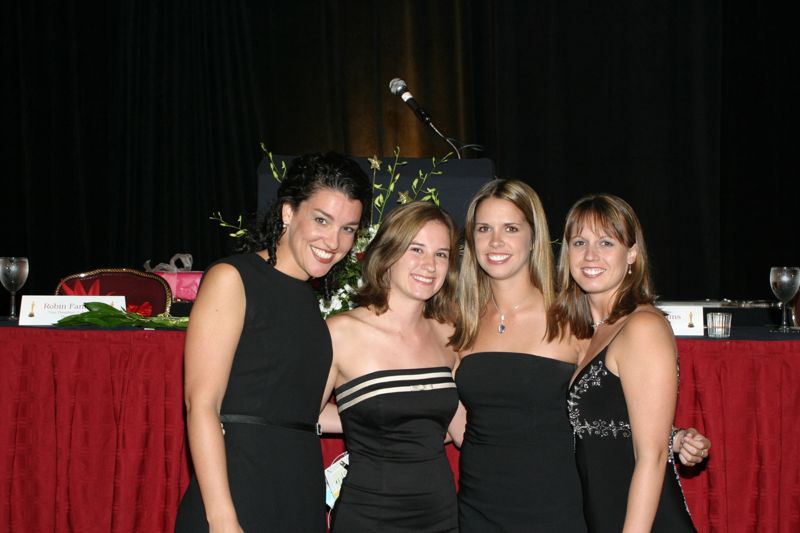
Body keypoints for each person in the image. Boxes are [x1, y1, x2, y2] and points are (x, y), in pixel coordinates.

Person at [449, 180, 710, 532]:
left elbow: (618, 401)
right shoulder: (460, 321)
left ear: (534, 237)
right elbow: (463, 423)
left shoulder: (573, 320)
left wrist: (666, 436)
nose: (496, 241)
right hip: (479, 506)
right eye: (484, 229)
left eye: (510, 228)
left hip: (558, 506)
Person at [174, 152, 372, 533]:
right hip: (239, 490)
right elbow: (201, 405)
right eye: (321, 220)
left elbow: (297, 409)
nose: (333, 241)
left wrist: (397, 413)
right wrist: (222, 520)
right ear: (287, 213)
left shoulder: (308, 302)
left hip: (298, 493)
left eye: (348, 228)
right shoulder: (232, 278)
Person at [549, 193, 698, 531]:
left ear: (631, 253)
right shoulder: (591, 331)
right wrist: (678, 437)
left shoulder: (642, 327)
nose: (590, 255)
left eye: (606, 242)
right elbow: (621, 422)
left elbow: (652, 456)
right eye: (579, 242)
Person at [321, 201, 461, 532]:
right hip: (369, 515)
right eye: (416, 249)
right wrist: (365, 423)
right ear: (389, 254)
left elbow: (463, 429)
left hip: (441, 515)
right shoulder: (341, 332)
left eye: (441, 254)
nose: (430, 264)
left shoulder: (449, 335)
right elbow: (300, 417)